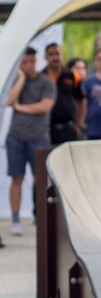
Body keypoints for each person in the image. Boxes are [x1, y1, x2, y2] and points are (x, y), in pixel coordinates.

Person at [6, 48, 55, 234]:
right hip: (16, 137)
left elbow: (44, 107)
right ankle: (16, 220)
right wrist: (21, 79)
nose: (29, 65)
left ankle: (39, 215)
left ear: (36, 61)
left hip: (38, 137)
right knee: (16, 178)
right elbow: (10, 101)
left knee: (40, 179)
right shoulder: (16, 81)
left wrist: (21, 107)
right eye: (24, 62)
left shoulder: (46, 82)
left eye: (31, 61)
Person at [42, 43, 84, 144]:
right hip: (45, 130)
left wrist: (79, 125)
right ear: (45, 57)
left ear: (62, 55)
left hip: (68, 128)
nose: (54, 57)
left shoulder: (73, 76)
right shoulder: (40, 77)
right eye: (51, 54)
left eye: (57, 53)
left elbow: (82, 101)